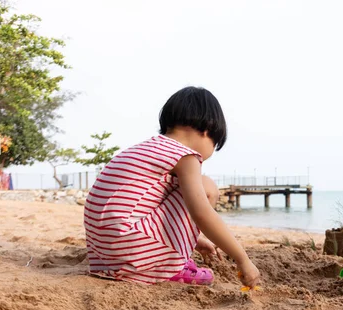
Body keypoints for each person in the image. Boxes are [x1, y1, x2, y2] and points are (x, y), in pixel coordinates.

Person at [83, 86, 261, 288]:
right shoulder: (185, 155)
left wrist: (195, 238)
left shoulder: (145, 149)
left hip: (103, 256)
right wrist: (242, 259)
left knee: (187, 188)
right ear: (207, 131)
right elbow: (201, 213)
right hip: (128, 249)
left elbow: (139, 205)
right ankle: (172, 268)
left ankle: (164, 258)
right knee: (206, 186)